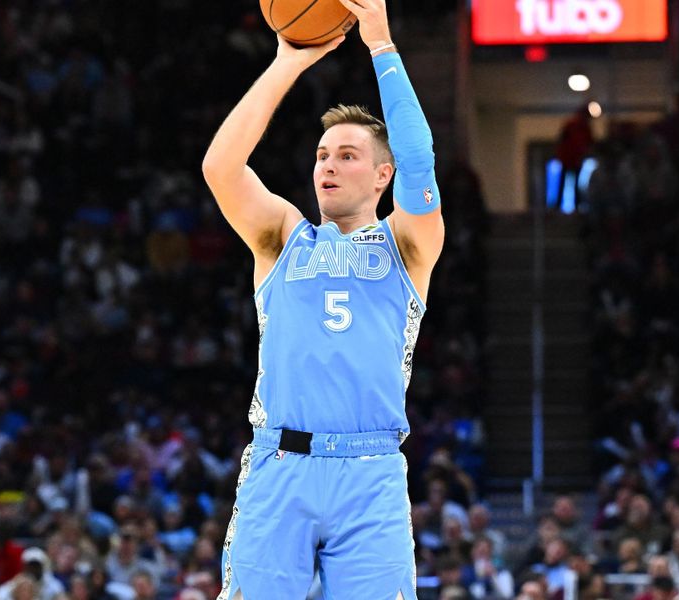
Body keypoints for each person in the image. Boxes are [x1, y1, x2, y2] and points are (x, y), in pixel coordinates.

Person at [201, 0, 444, 597]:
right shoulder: (282, 237)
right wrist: (287, 61)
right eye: (321, 155)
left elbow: (419, 161)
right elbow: (220, 167)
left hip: (370, 472)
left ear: (383, 175)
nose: (327, 166)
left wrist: (382, 45)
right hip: (279, 466)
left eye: (347, 155)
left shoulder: (408, 245)